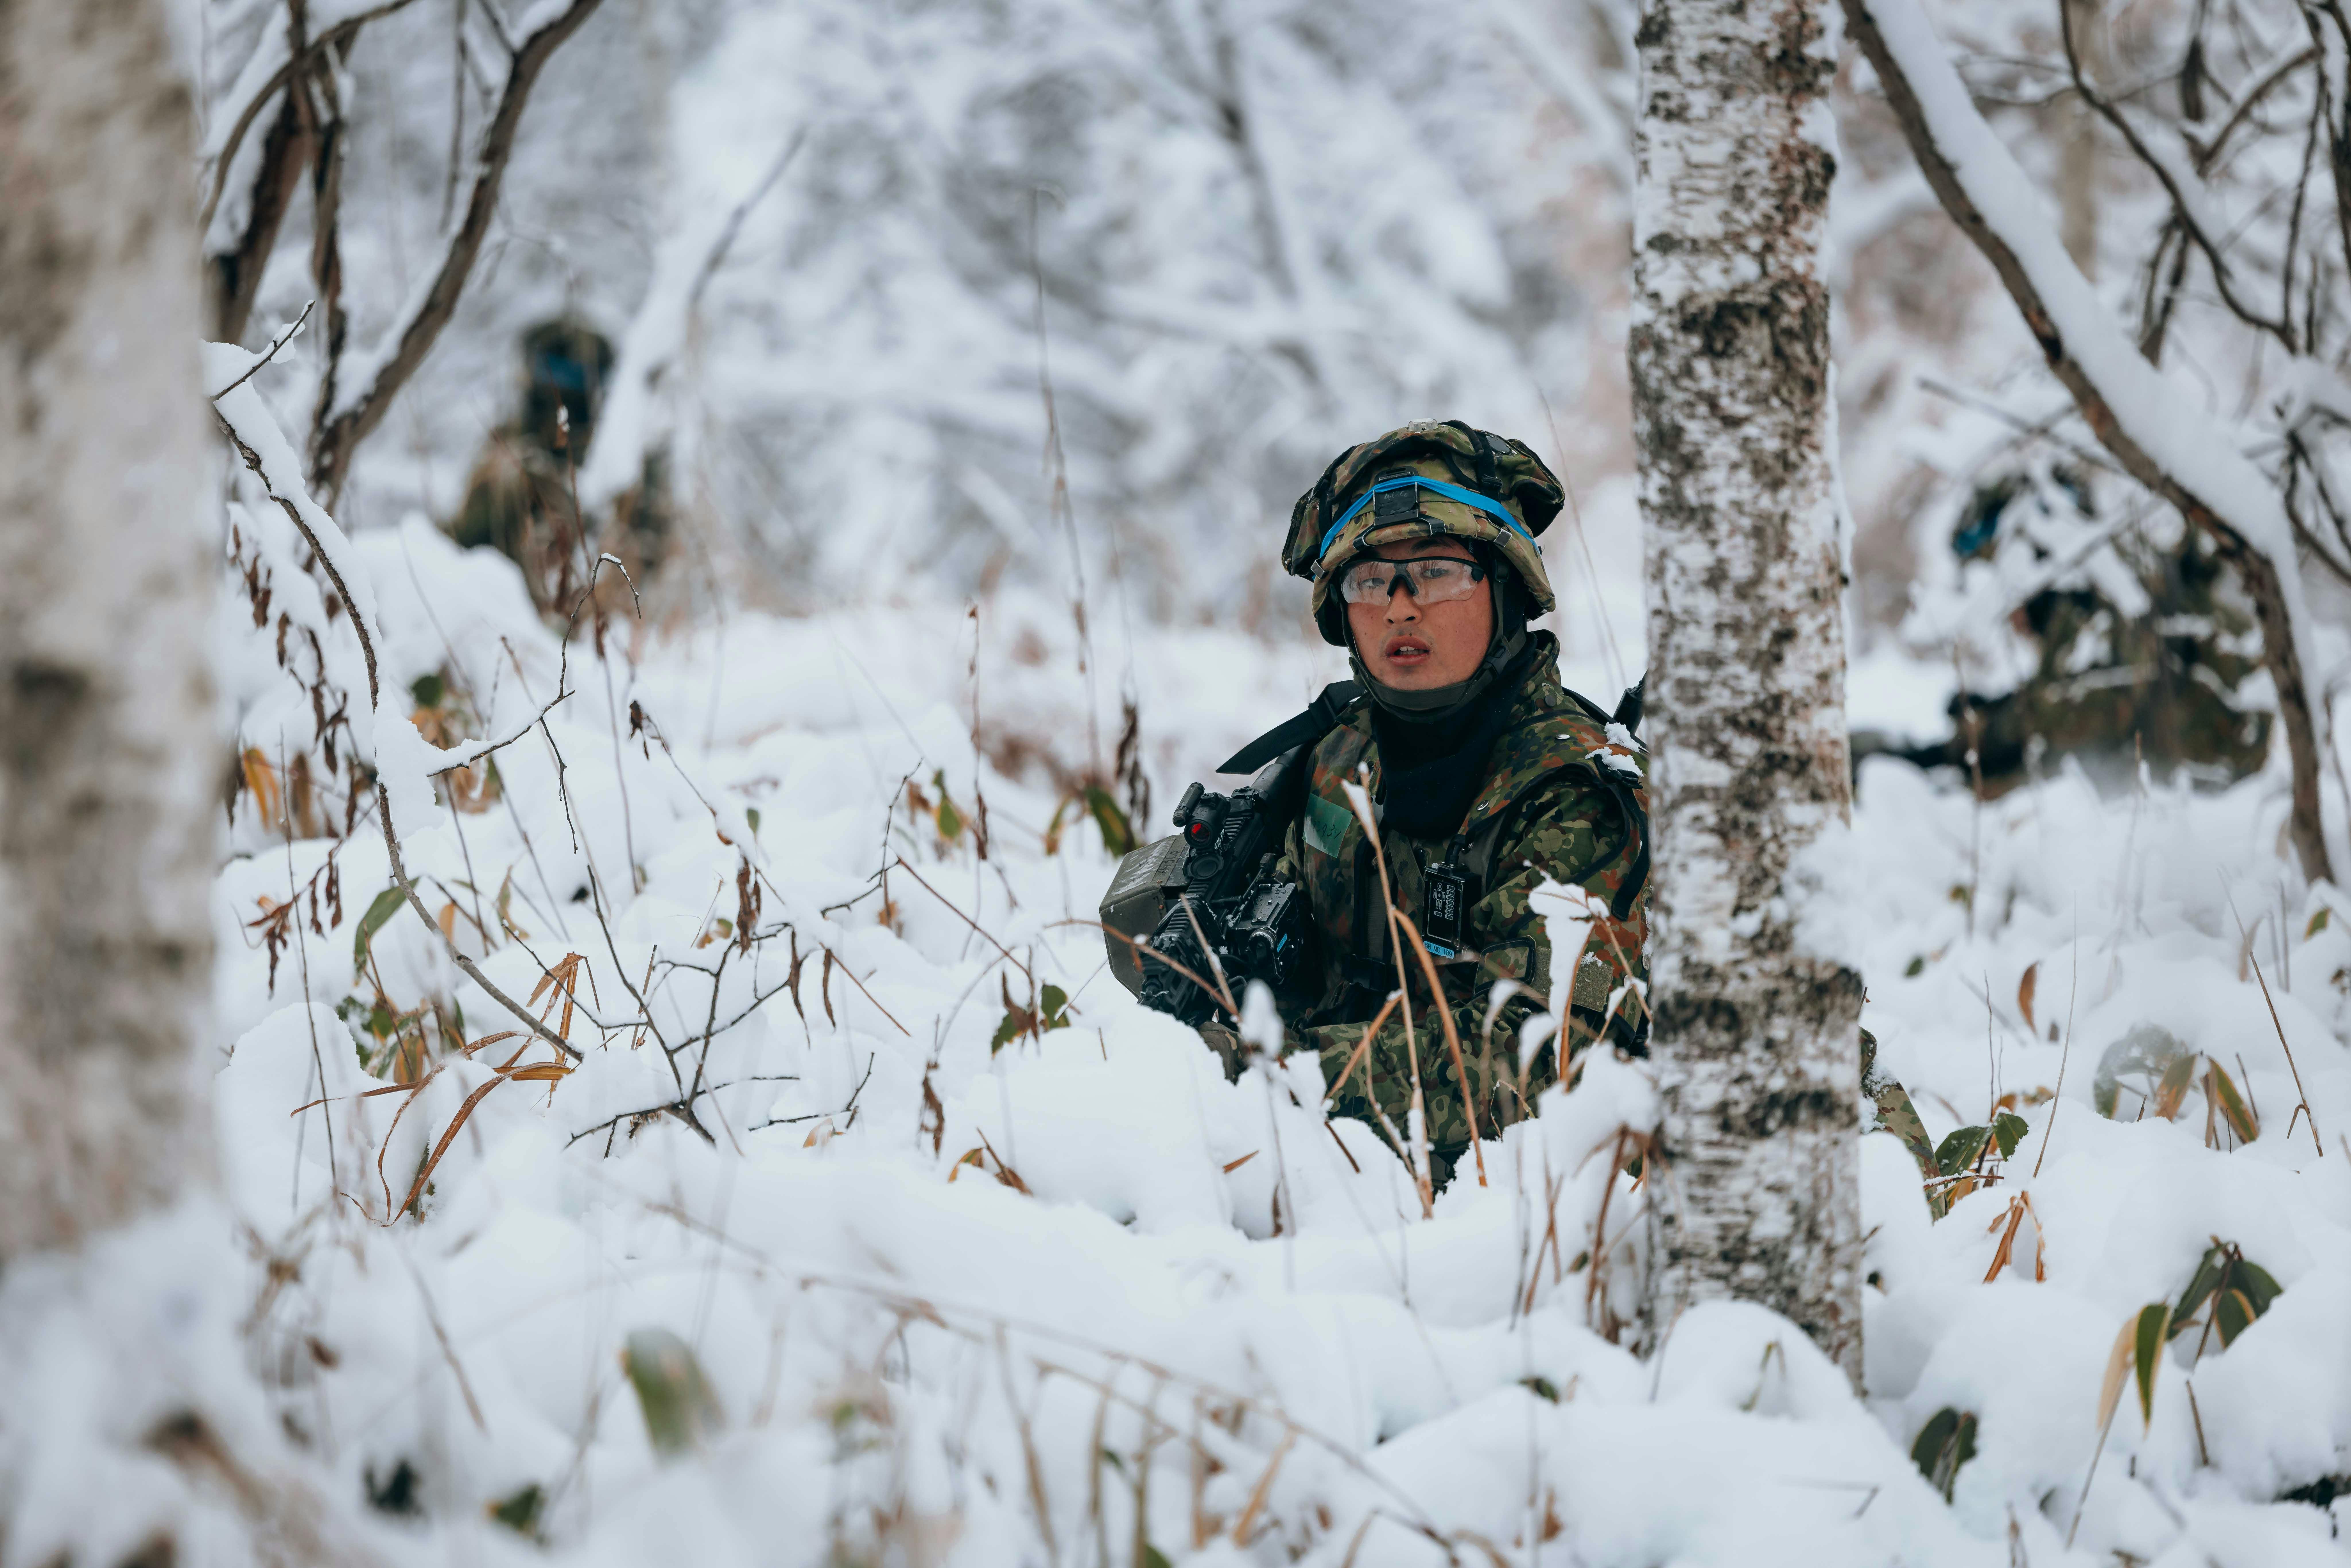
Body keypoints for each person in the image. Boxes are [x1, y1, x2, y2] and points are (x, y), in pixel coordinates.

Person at [1198, 421, 1650, 1188]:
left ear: (1505, 587)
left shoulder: (1576, 796)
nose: (1401, 608)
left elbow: (1541, 1072)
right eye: (1370, 582)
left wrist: (1260, 1071)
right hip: (1377, 1176)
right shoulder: (1335, 761)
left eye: (1438, 573)